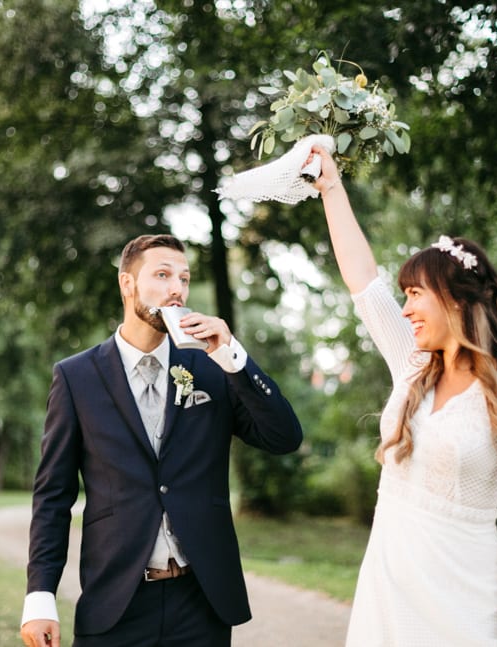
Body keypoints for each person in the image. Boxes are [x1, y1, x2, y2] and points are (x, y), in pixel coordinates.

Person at [305, 145, 497, 647]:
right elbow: (362, 281)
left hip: (469, 599)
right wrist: (330, 185)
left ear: (457, 299)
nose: (404, 310)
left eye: (415, 294)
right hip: (388, 593)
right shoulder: (411, 363)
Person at [20, 234, 303, 647]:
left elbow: (284, 437)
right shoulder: (76, 377)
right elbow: (53, 496)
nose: (177, 289)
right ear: (127, 283)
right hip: (116, 602)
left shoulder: (211, 369)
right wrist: (40, 596)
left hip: (201, 603)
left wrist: (233, 357)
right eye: (163, 275)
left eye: (184, 279)